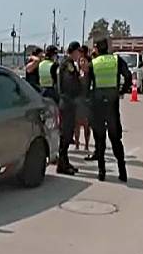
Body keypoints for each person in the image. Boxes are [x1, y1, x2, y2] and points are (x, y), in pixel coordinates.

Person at [88, 37, 133, 182]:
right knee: (115, 139)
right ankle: (122, 171)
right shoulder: (116, 60)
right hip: (112, 104)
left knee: (100, 140)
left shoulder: (93, 63)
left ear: (97, 48)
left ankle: (102, 172)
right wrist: (122, 91)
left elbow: (87, 84)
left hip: (97, 104)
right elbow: (128, 76)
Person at [56, 42, 83, 175]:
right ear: (74, 51)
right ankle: (62, 164)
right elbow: (69, 84)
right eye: (78, 51)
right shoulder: (68, 64)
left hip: (69, 103)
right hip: (67, 103)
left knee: (68, 134)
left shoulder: (69, 63)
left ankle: (65, 161)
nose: (79, 54)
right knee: (65, 135)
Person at [74, 45, 92, 150]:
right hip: (78, 98)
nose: (81, 62)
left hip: (86, 98)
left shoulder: (88, 68)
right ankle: (77, 143)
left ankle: (86, 145)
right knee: (77, 123)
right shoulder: (77, 69)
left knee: (86, 124)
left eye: (82, 60)